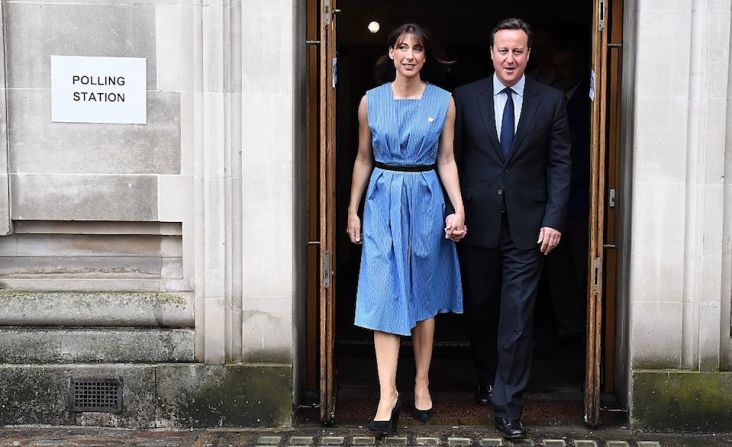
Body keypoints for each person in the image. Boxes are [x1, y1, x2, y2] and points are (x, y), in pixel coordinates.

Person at [453, 18, 571, 439]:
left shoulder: (551, 101)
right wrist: (455, 212)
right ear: (491, 54)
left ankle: (509, 406)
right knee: (482, 310)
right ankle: (487, 379)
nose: (510, 58)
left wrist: (554, 219)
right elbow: (452, 160)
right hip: (477, 226)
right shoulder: (464, 99)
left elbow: (560, 164)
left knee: (518, 319)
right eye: (503, 50)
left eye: (518, 51)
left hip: (529, 229)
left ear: (528, 55)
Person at [347, 23, 466, 435]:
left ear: (425, 56)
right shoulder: (370, 102)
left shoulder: (443, 101)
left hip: (426, 199)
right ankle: (386, 393)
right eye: (403, 47)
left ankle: (420, 381)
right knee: (383, 290)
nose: (410, 55)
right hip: (382, 200)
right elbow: (363, 158)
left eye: (417, 48)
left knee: (423, 292)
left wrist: (459, 209)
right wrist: (352, 209)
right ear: (392, 53)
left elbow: (446, 159)